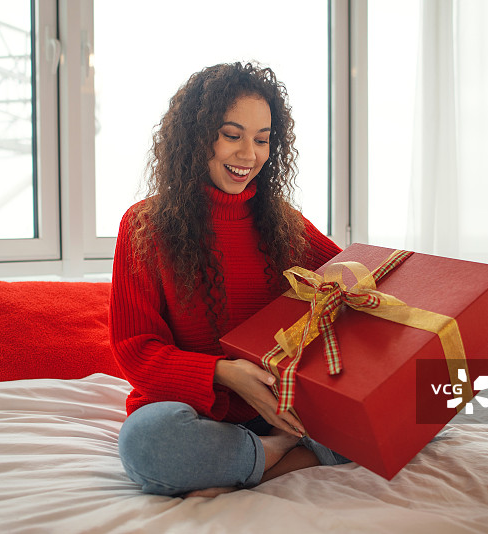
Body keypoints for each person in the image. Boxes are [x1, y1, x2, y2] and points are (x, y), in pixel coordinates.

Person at [110, 62, 348, 498]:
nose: (249, 155)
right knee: (146, 445)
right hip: (195, 414)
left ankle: (262, 460)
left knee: (425, 406)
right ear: (197, 137)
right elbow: (134, 350)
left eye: (262, 140)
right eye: (232, 135)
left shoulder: (284, 224)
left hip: (283, 407)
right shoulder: (144, 225)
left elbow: (354, 280)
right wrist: (224, 374)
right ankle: (284, 453)